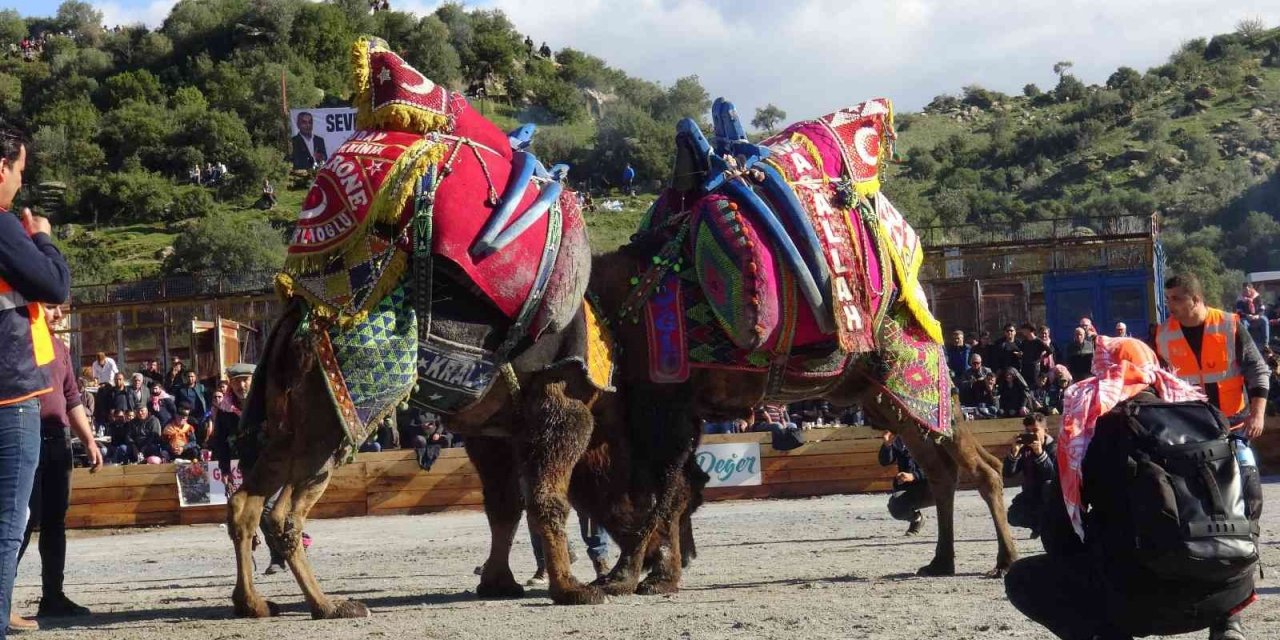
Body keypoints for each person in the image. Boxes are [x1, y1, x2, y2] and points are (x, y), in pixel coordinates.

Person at [1005, 337, 1256, 640]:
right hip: (1227, 591)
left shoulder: (1097, 427)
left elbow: (1060, 535)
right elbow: (1250, 501)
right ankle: (1229, 627)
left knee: (1023, 579)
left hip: (1143, 600)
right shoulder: (1207, 414)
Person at [0, 125, 71, 638]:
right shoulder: (2, 224)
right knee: (8, 522)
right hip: (11, 392)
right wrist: (41, 237)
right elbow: (55, 286)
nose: (19, 183)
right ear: (1, 168)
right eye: (19, 171)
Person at [14, 305, 102, 626]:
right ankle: (2, 599)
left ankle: (53, 596)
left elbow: (72, 397)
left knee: (55, 520)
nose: (58, 315)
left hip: (58, 438)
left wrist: (89, 441)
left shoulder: (61, 348)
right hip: (24, 436)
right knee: (22, 519)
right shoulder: (16, 341)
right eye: (50, 308)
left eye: (60, 309)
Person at [1002, 413, 1056, 538]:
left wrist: (1040, 453)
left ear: (1045, 431)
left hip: (1052, 497)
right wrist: (1014, 454)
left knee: (1048, 486)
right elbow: (1008, 474)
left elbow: (1052, 476)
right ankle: (1039, 525)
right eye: (1028, 431)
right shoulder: (1025, 448)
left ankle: (1046, 526)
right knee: (1013, 516)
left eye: (1035, 430)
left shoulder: (1054, 448)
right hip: (1031, 494)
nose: (1031, 434)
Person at [878, 431, 929, 535]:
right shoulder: (900, 438)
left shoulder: (930, 436)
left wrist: (914, 476)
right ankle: (917, 519)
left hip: (933, 486)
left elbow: (939, 467)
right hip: (911, 488)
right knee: (896, 506)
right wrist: (887, 445)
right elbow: (885, 461)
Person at [1235, 282, 1269, 348]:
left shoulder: (1257, 297)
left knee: (1264, 320)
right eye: (1244, 290)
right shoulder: (1240, 299)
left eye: (1248, 290)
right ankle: (1246, 344)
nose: (1246, 292)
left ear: (1251, 289)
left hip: (1256, 318)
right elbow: (1238, 312)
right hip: (1246, 319)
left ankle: (1266, 344)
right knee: (1243, 323)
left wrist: (1258, 315)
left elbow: (1262, 308)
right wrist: (1246, 316)